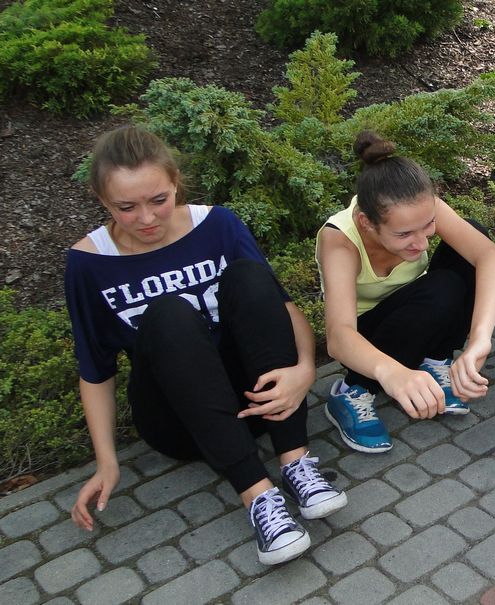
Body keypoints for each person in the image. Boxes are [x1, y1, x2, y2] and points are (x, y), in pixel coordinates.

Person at [65, 126, 345, 566]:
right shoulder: (88, 263)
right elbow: (95, 368)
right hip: (179, 420)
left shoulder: (218, 225)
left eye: (159, 199)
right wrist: (107, 462)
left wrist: (306, 368)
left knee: (248, 276)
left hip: (256, 404)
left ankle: (296, 462)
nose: (146, 218)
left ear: (176, 182)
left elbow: (279, 305)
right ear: (102, 201)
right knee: (168, 314)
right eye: (126, 207)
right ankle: (258, 496)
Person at [317, 131, 495, 453]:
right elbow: (338, 337)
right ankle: (353, 391)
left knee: (472, 238)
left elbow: (494, 258)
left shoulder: (419, 206)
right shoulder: (340, 242)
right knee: (441, 288)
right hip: (367, 339)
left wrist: (480, 340)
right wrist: (391, 373)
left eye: (428, 225)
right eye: (404, 234)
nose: (421, 243)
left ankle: (434, 360)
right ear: (366, 223)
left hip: (419, 311)